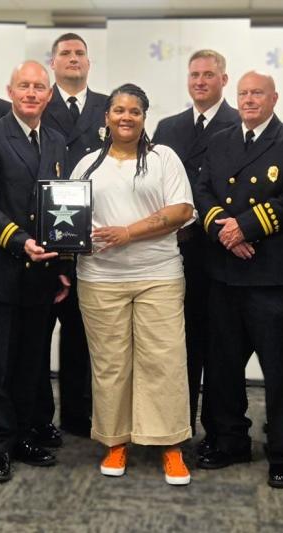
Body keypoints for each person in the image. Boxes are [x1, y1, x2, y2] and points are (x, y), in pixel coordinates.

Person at [192, 71, 283, 489]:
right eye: (244, 93)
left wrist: (245, 228)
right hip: (226, 274)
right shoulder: (220, 139)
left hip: (271, 278)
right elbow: (203, 190)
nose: (249, 100)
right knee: (223, 366)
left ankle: (282, 451)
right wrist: (223, 232)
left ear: (274, 97)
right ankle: (229, 440)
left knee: (280, 372)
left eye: (257, 93)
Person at [72, 83, 196, 486]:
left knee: (164, 360)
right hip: (99, 278)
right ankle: (115, 440)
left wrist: (129, 232)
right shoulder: (87, 165)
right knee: (110, 364)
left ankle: (171, 445)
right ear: (106, 117)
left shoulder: (164, 159)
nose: (126, 117)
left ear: (145, 118)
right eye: (118, 110)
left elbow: (181, 210)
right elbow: (66, 219)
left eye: (135, 111)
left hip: (157, 275)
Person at [0, 60, 70, 483]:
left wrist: (62, 265)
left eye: (38, 87)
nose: (31, 93)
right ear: (9, 90)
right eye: (23, 85)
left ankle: (25, 436)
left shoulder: (58, 142)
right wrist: (19, 239)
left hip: (40, 277)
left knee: (30, 365)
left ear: (48, 94)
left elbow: (60, 209)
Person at [150, 49, 239, 440]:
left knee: (217, 348)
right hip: (171, 252)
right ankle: (175, 426)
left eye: (208, 75)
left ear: (224, 79)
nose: (200, 81)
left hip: (221, 252)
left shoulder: (240, 123)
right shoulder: (167, 128)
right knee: (173, 346)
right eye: (194, 75)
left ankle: (217, 431)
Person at [35, 31, 109, 445]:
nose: (73, 58)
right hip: (45, 240)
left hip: (94, 240)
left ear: (88, 61)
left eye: (80, 52)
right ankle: (41, 418)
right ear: (53, 62)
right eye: (65, 53)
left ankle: (80, 415)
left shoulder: (106, 106)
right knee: (38, 336)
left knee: (83, 337)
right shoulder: (38, 104)